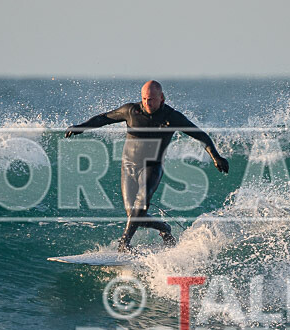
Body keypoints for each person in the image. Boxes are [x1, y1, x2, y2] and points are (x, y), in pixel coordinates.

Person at [64, 80, 229, 252]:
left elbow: (200, 135)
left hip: (152, 167)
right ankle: (164, 227)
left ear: (161, 98)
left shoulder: (172, 117)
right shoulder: (131, 111)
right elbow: (104, 118)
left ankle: (124, 243)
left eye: (151, 99)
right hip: (128, 166)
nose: (147, 103)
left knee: (141, 204)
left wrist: (215, 156)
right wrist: (81, 127)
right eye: (144, 99)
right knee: (134, 215)